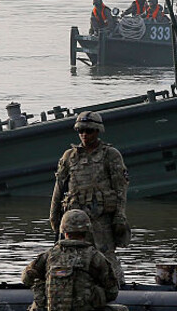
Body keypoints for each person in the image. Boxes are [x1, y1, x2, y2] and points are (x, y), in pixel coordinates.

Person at [50, 111, 130, 283]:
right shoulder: (70, 156)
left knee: (105, 255)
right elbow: (59, 187)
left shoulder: (110, 155)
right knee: (68, 254)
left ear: (97, 131)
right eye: (81, 131)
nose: (84, 135)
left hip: (101, 217)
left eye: (89, 131)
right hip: (73, 218)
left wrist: (119, 216)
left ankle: (115, 287)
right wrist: (54, 215)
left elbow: (120, 188)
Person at [22, 209, 121, 311]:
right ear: (87, 231)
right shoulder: (95, 257)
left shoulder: (49, 255)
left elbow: (26, 279)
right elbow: (112, 292)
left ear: (64, 231)